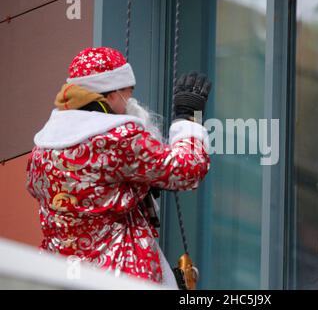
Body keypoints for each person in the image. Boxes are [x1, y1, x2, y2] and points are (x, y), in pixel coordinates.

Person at [26, 47, 212, 289]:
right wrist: (189, 117)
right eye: (128, 92)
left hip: (60, 276)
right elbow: (188, 170)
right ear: (112, 94)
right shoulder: (116, 139)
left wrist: (138, 185)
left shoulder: (43, 147)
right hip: (119, 274)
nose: (130, 101)